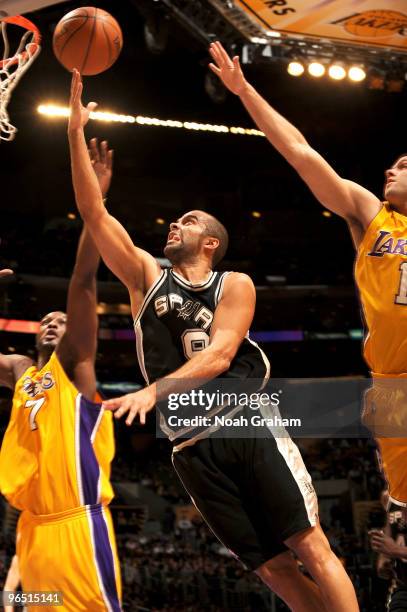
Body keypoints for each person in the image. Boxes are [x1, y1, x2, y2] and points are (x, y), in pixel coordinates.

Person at [67, 68, 358, 612]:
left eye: (188, 220)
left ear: (211, 241)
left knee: (308, 544)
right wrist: (73, 135)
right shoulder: (145, 278)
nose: (174, 224)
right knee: (273, 570)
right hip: (190, 448)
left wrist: (154, 392)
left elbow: (222, 354)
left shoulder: (235, 283)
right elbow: (94, 212)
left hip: (244, 423)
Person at [207, 41, 407, 509]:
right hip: (393, 384)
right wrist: (244, 92)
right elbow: (300, 152)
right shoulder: (372, 215)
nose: (389, 169)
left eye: (403, 165)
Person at [0, 139, 122, 612]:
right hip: (31, 533)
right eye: (45, 319)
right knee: (29, 607)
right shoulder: (20, 370)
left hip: (76, 527)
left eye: (63, 320)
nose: (53, 321)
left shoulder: (75, 369)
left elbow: (84, 279)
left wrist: (95, 202)